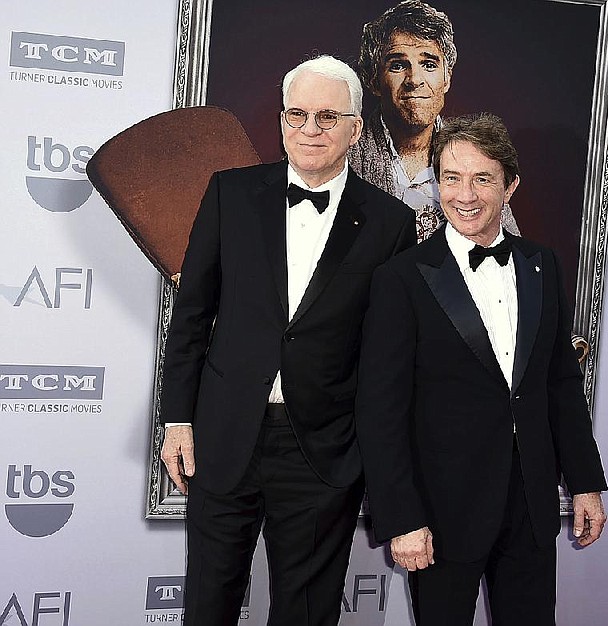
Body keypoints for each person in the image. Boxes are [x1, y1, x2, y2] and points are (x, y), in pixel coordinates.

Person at [158, 55, 416, 626]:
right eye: (297, 114)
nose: (310, 129)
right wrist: (177, 419)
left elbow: (387, 357)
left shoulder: (390, 223)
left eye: (328, 117)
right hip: (225, 437)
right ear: (280, 121)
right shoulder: (230, 193)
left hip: (322, 451)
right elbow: (193, 316)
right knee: (207, 605)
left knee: (306, 614)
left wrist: (369, 456)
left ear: (355, 127)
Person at [355, 113, 607, 625]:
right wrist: (401, 517)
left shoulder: (542, 264)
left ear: (510, 185)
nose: (463, 195)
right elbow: (380, 410)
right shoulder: (402, 278)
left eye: (482, 179)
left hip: (530, 507)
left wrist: (584, 482)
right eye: (451, 178)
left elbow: (560, 383)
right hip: (442, 512)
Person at [349, 0, 519, 242]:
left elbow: (507, 246)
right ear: (374, 80)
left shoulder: (475, 154)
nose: (414, 79)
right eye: (397, 65)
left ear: (446, 79)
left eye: (428, 64)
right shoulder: (344, 154)